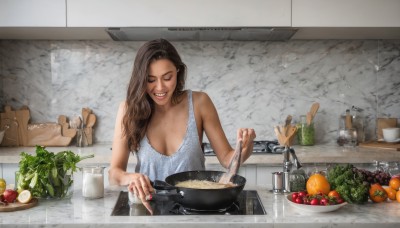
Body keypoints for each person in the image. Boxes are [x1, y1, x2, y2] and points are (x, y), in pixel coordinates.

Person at [108, 39, 256, 213]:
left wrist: (245, 145)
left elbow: (227, 160)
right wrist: (130, 177)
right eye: (150, 80)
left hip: (197, 211)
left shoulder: (200, 103)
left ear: (178, 72)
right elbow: (114, 174)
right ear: (141, 79)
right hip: (148, 210)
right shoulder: (128, 109)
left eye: (167, 77)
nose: (160, 87)